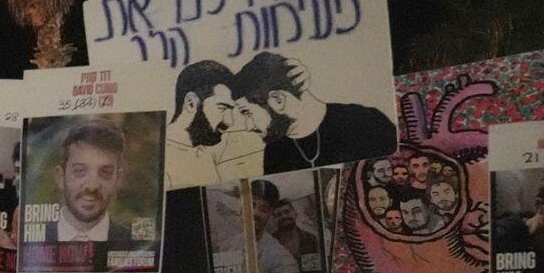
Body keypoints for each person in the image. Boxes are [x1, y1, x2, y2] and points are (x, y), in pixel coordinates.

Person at [232, 51, 399, 174]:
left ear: (277, 100)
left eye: (247, 113)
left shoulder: (365, 121)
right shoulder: (274, 152)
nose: (248, 126)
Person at [40, 120, 135, 245]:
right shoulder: (34, 238)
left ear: (118, 179)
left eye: (105, 172)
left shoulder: (137, 245)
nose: (92, 186)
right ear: (61, 177)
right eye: (80, 170)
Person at [165, 60, 245, 186]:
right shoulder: (158, 157)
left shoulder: (203, 151)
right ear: (191, 103)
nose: (230, 121)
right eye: (222, 108)